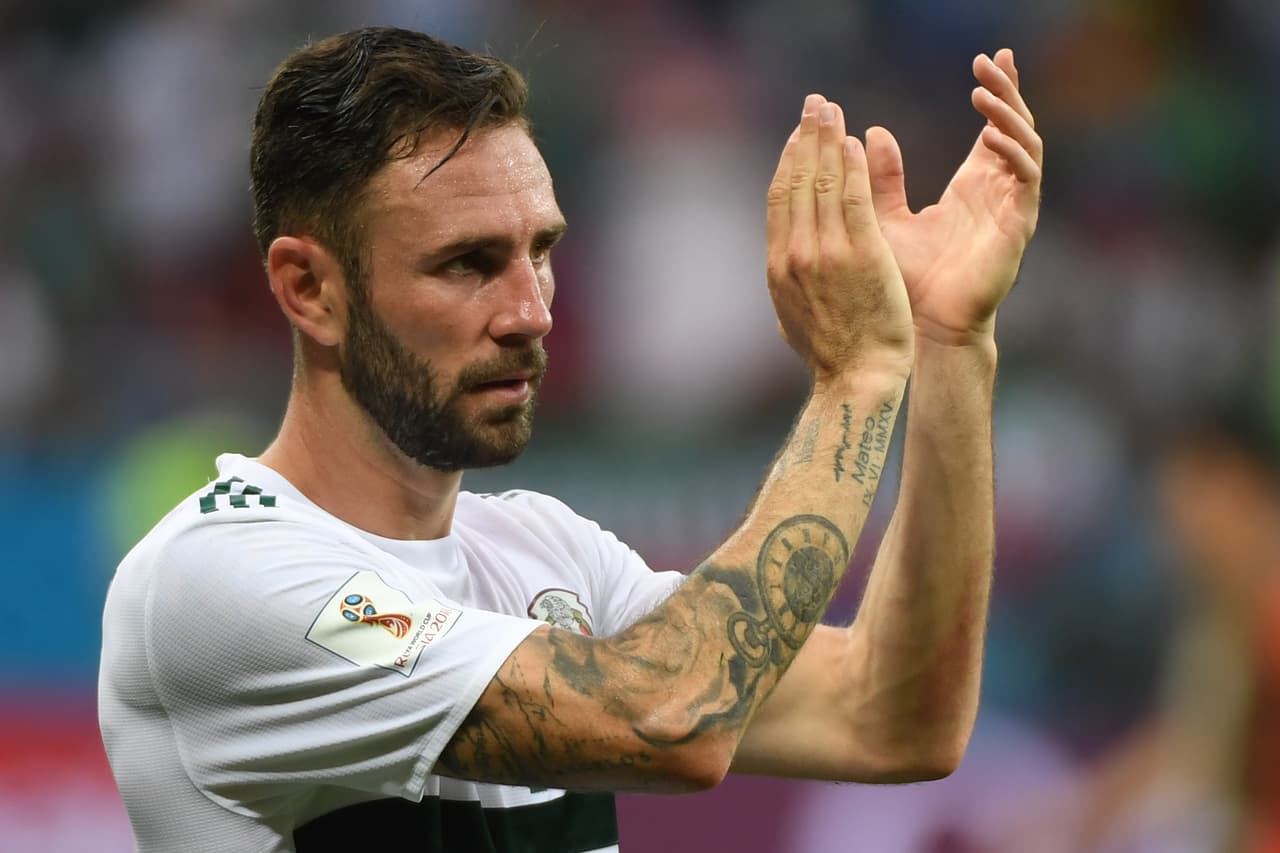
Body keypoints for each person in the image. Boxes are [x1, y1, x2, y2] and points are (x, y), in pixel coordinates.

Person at [97, 26, 1042, 853]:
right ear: (309, 289)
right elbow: (669, 719)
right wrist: (856, 380)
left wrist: (949, 344)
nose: (530, 312)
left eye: (539, 251)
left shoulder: (543, 551)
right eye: (467, 263)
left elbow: (893, 717)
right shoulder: (224, 580)